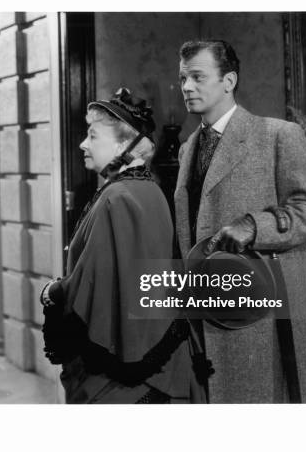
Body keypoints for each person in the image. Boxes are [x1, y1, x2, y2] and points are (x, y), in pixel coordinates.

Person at [174, 39, 306, 403]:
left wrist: (254, 226)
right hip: (205, 314)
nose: (186, 87)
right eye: (183, 78)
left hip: (262, 324)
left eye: (197, 77)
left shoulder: (277, 135)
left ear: (228, 81)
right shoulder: (186, 149)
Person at [40, 88, 205, 404]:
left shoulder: (117, 197)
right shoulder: (150, 190)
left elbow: (94, 285)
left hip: (125, 375)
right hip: (161, 364)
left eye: (93, 136)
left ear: (122, 145)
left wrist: (52, 292)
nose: (83, 144)